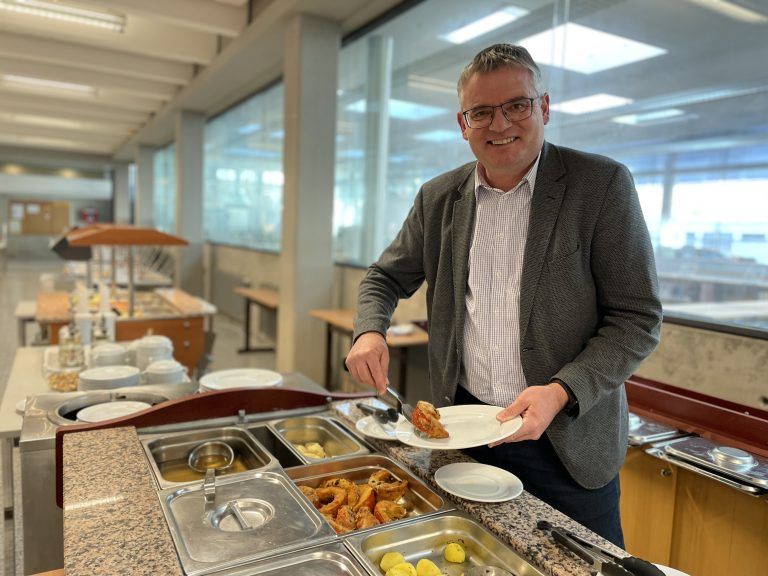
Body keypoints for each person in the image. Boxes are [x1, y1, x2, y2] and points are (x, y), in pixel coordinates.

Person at [344, 43, 662, 547]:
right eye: (482, 112)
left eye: (517, 105)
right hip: (465, 431)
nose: (500, 124)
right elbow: (383, 277)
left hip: (566, 442)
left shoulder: (600, 186)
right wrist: (369, 331)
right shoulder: (438, 198)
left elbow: (637, 318)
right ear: (462, 123)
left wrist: (561, 390)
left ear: (544, 108)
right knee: (470, 557)